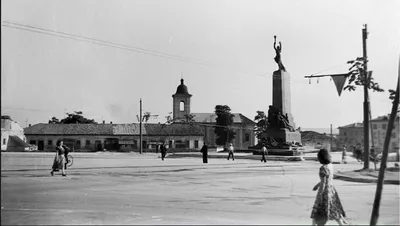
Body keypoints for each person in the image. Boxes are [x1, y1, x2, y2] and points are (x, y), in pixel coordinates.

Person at [311, 149, 347, 226]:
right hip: (331, 189)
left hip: (325, 191)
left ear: (320, 158)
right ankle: (341, 223)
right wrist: (317, 185)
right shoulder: (330, 165)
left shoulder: (323, 168)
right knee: (334, 208)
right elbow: (327, 179)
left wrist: (320, 194)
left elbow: (324, 182)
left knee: (320, 210)